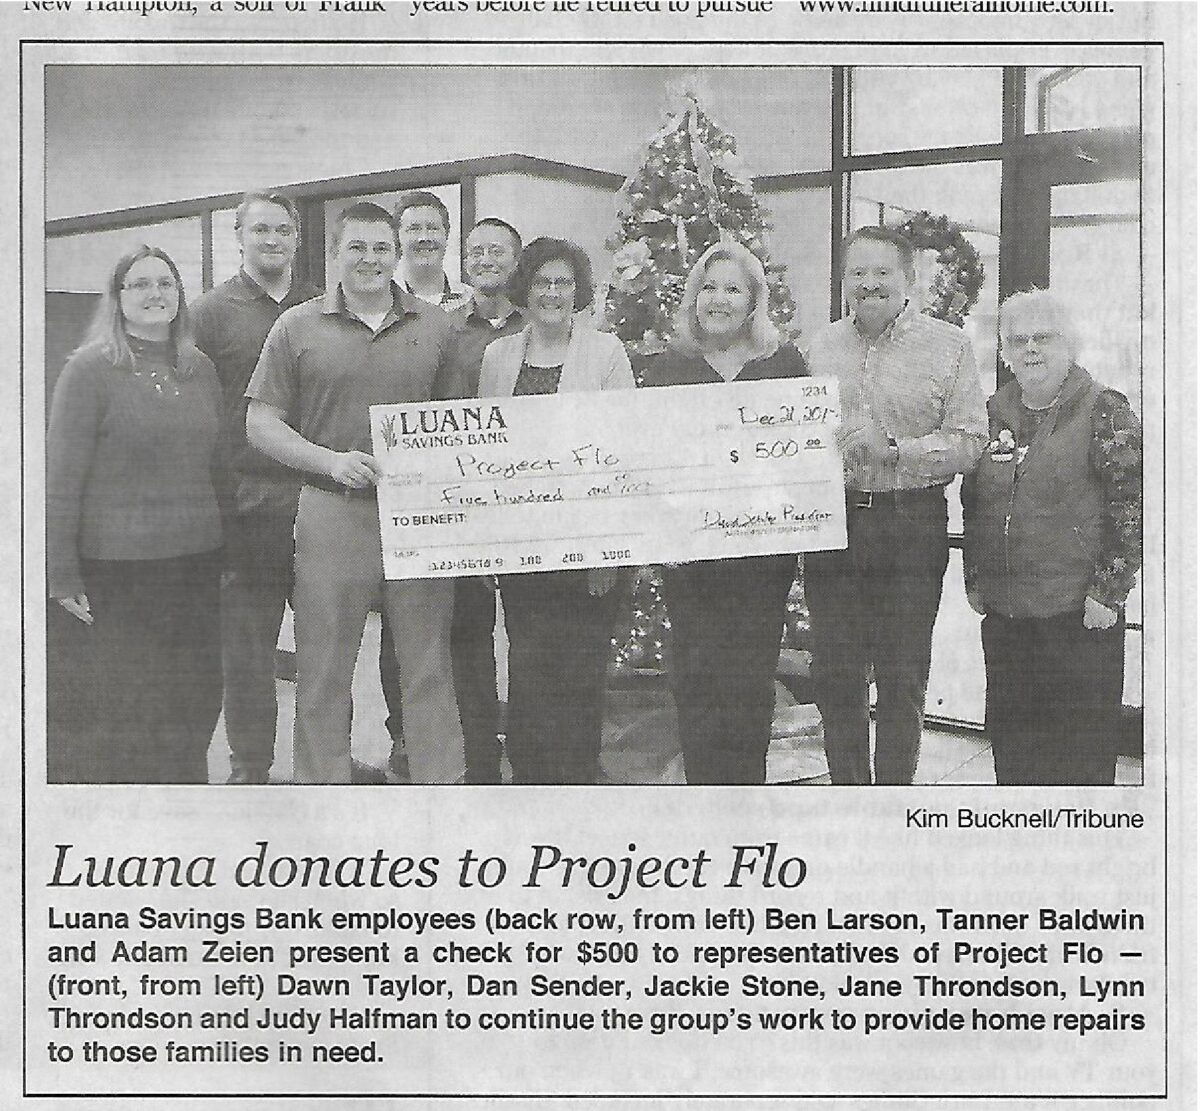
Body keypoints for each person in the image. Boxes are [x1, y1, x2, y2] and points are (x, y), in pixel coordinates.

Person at [245, 202, 465, 785]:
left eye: (381, 248)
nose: (369, 259)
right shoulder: (296, 326)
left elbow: (464, 422)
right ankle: (324, 789)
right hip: (330, 513)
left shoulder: (438, 327)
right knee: (323, 666)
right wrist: (329, 462)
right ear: (334, 255)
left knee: (426, 664)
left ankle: (440, 789)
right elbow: (261, 424)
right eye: (356, 248)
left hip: (419, 519)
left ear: (397, 253)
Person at [805, 226, 988, 785]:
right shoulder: (819, 346)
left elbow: (972, 441)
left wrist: (897, 452)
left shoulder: (949, 344)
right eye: (857, 273)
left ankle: (893, 803)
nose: (869, 284)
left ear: (909, 279)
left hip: (910, 522)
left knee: (902, 676)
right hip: (834, 524)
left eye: (882, 272)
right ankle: (850, 798)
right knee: (837, 676)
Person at [47, 245, 225, 783]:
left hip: (195, 562)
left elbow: (216, 466)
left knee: (195, 694)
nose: (155, 294)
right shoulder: (89, 369)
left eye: (166, 284)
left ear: (180, 297)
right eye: (140, 284)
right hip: (119, 569)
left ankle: (185, 796)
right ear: (118, 298)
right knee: (129, 703)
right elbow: (60, 479)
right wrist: (59, 572)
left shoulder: (199, 369)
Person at [642, 241, 809, 784]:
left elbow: (803, 457)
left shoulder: (783, 365)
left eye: (733, 289)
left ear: (753, 300)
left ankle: (744, 798)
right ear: (694, 298)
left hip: (761, 561)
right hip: (690, 561)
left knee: (748, 681)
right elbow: (648, 460)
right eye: (709, 288)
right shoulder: (670, 367)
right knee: (696, 680)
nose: (719, 299)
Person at [962, 289, 1141, 785]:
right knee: (1016, 755)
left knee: (1077, 757)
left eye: (1044, 338)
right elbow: (974, 501)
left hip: (1078, 616)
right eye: (1017, 340)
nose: (1030, 349)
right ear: (1002, 351)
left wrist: (1108, 591)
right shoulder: (993, 410)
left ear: (1071, 344)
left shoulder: (1105, 409)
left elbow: (1133, 506)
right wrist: (975, 577)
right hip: (1008, 615)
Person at [478, 237, 635, 784]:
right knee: (529, 665)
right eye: (542, 282)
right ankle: (531, 778)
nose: (552, 293)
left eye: (563, 283)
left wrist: (609, 551)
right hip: (523, 551)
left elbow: (624, 455)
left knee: (580, 670)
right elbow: (487, 455)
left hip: (589, 549)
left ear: (578, 290)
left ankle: (577, 778)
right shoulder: (498, 358)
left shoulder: (607, 353)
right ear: (525, 289)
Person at [190, 190, 322, 785]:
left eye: (283, 230)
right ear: (239, 237)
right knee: (248, 652)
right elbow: (194, 419)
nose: (272, 240)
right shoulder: (208, 315)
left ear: (297, 236)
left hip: (321, 502)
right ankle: (251, 765)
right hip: (246, 509)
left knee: (326, 646)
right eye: (260, 229)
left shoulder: (322, 306)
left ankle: (325, 762)